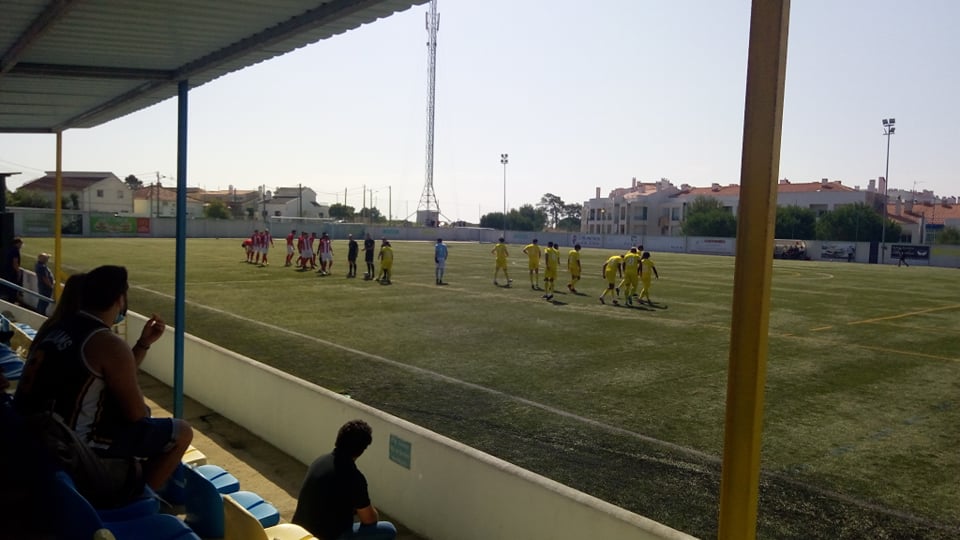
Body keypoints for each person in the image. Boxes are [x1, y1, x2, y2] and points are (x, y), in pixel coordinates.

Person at [14, 265, 193, 490]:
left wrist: (143, 344)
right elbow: (137, 414)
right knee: (181, 431)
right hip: (72, 453)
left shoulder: (58, 327)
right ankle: (138, 499)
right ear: (119, 299)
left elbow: (113, 371)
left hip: (34, 438)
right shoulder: (105, 341)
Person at [292, 420, 397, 540]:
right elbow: (369, 520)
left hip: (299, 532)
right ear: (362, 450)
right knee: (388, 529)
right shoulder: (353, 477)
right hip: (326, 536)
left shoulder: (319, 461)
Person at [2, 237, 23, 303]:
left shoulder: (10, 249)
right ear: (17, 243)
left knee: (9, 287)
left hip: (8, 271)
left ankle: (10, 299)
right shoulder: (15, 251)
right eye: (20, 244)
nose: (21, 245)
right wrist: (18, 271)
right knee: (13, 287)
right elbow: (15, 262)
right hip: (12, 272)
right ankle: (12, 301)